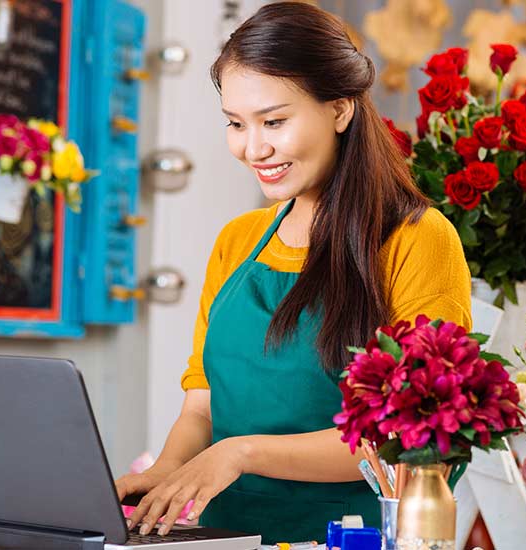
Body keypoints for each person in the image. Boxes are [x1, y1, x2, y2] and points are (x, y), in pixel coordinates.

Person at [115, 2, 471, 543]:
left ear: (340, 110)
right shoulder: (237, 242)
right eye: (235, 123)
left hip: (348, 536)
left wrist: (241, 453)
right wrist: (165, 473)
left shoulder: (418, 239)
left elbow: (409, 437)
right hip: (226, 537)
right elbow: (203, 405)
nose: (254, 148)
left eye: (274, 121)